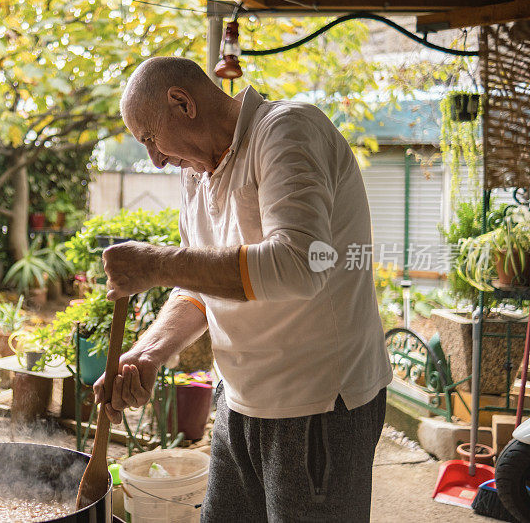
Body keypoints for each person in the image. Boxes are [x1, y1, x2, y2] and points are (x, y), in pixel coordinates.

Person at [92, 56, 393, 522]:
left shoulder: (286, 131)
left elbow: (299, 262)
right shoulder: (194, 174)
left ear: (181, 103)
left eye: (150, 138)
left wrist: (156, 262)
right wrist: (148, 352)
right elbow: (198, 288)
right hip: (237, 404)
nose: (153, 158)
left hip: (318, 410)